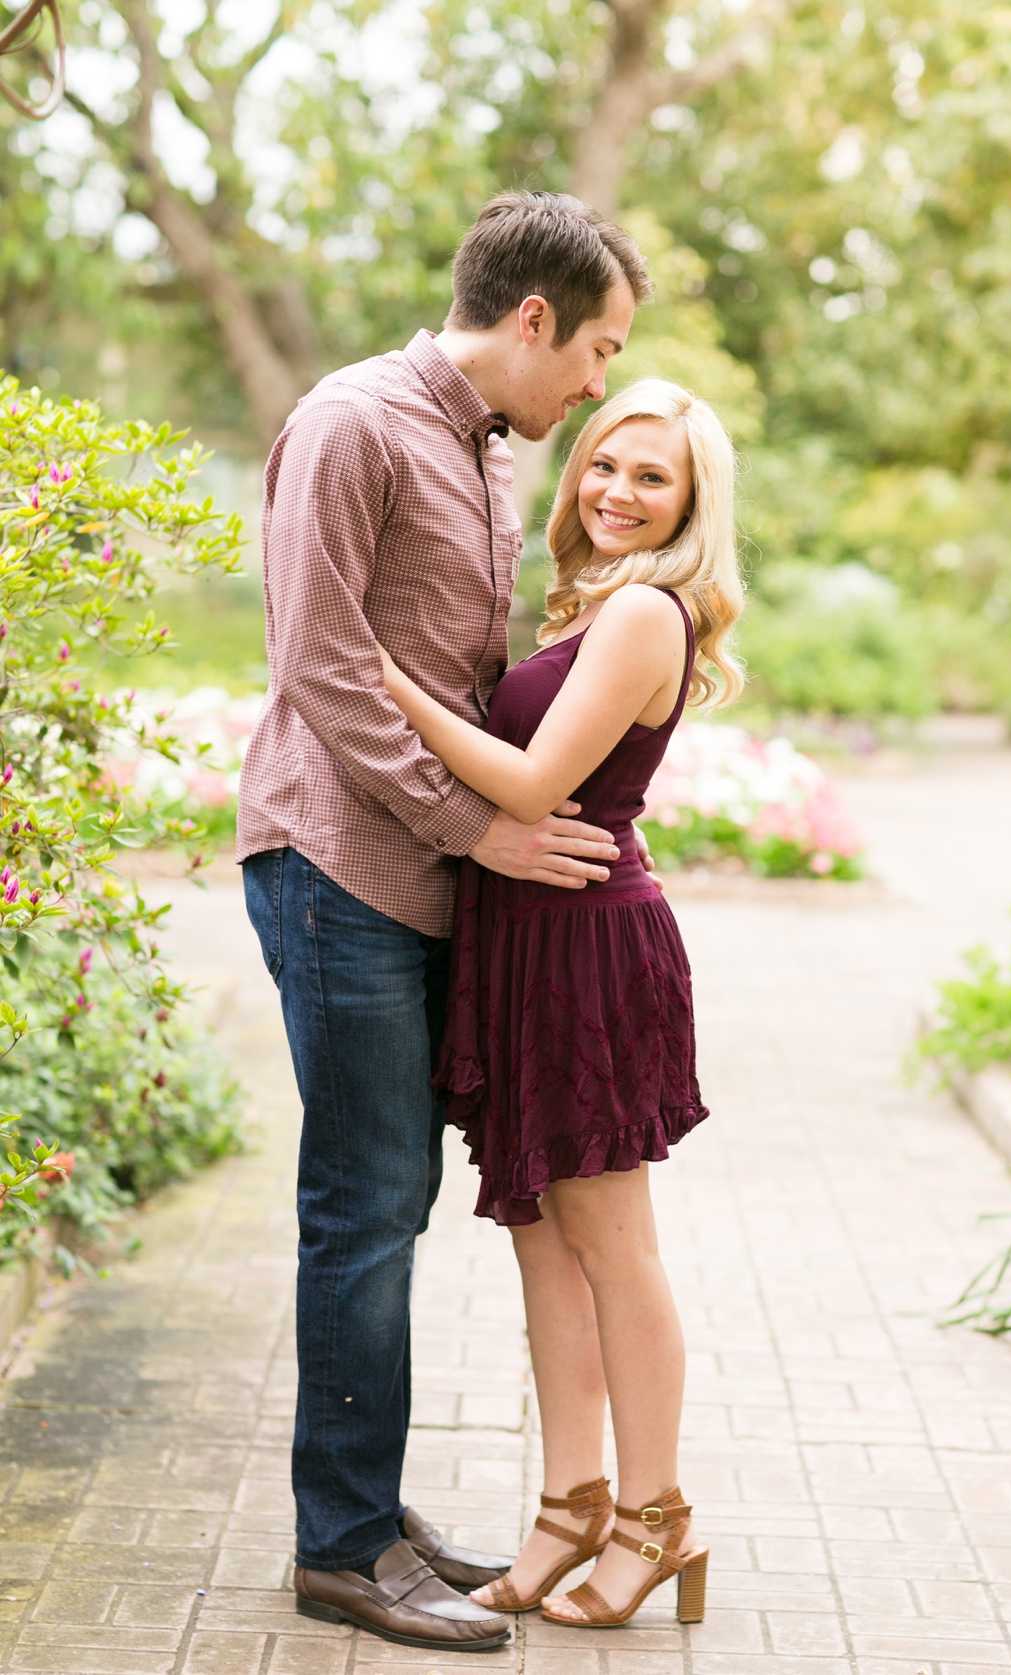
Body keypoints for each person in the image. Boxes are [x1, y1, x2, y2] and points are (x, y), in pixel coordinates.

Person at [236, 191, 653, 1654]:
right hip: (338, 860)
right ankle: (340, 1544)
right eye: (596, 346)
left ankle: (363, 1503)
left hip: (419, 877)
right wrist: (484, 828)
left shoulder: (483, 449)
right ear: (531, 319)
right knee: (364, 1199)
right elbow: (325, 667)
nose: (598, 382)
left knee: (389, 1194)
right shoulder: (352, 423)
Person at [375, 377, 745, 1630]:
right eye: (604, 465)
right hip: (524, 942)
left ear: (693, 501)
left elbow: (531, 781)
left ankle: (655, 1514)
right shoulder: (583, 602)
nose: (618, 492)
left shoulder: (644, 611)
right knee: (544, 1245)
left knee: (612, 1249)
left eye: (653, 477)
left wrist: (391, 682)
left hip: (588, 949)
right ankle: (567, 1500)